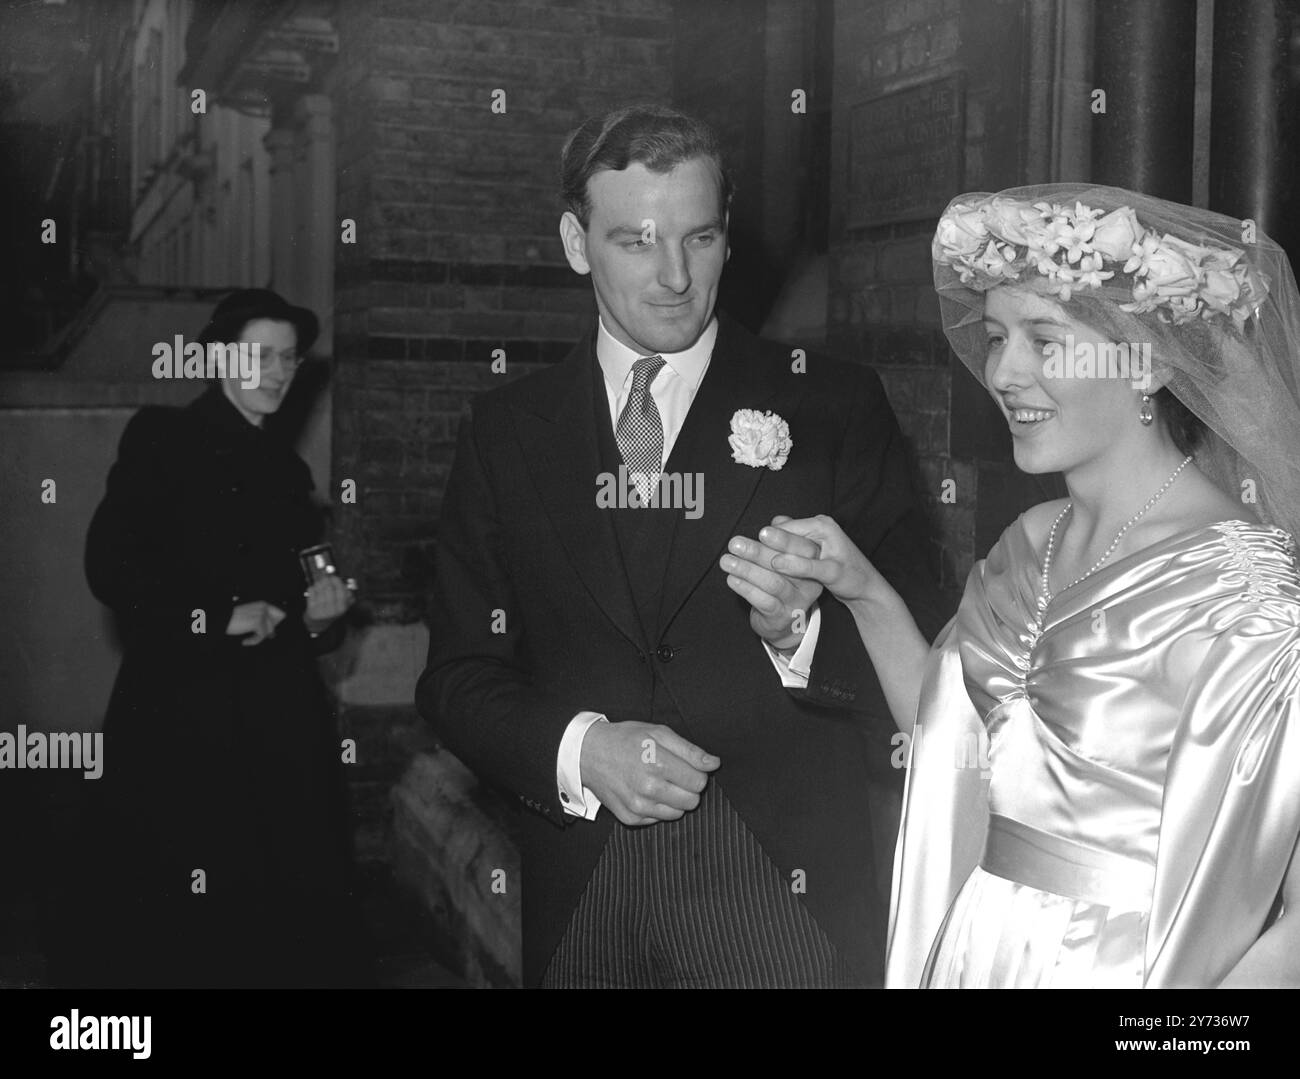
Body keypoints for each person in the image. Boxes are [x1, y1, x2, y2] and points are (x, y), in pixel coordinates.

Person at [416, 104, 945, 988]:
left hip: (782, 892)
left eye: (699, 239)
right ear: (575, 243)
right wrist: (579, 749)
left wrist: (800, 636)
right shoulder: (506, 430)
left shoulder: (833, 407)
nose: (673, 277)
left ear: (727, 237)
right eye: (636, 242)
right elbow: (456, 675)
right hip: (582, 893)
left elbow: (934, 664)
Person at [729, 185, 1300, 988]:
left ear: (1149, 360)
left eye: (1045, 338)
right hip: (978, 949)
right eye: (996, 337)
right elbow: (953, 746)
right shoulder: (1028, 542)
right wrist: (859, 590)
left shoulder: (1243, 591)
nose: (1003, 370)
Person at [83, 288, 364, 987]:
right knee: (183, 928)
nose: (277, 371)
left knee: (278, 915)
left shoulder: (287, 473)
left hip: (276, 724)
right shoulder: (162, 440)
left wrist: (321, 617)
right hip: (183, 720)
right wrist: (212, 614)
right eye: (259, 355)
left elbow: (295, 607)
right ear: (215, 357)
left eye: (289, 359)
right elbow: (110, 567)